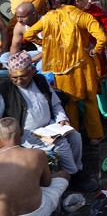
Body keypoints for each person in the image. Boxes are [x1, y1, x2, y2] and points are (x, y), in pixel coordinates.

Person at [22, 0, 107, 143]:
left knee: (69, 103)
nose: (88, 1)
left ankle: (74, 137)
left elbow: (29, 34)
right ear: (77, 0)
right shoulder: (84, 17)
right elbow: (102, 38)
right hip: (83, 65)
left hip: (61, 67)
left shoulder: (50, 16)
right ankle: (95, 136)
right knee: (90, 101)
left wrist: (47, 45)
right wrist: (95, 50)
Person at [0, 51, 85, 179]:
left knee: (75, 137)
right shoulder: (4, 89)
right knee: (60, 144)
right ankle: (74, 175)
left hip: (50, 126)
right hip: (26, 133)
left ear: (32, 70)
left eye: (23, 76)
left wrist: (62, 118)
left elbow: (56, 104)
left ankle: (77, 168)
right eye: (14, 78)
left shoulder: (40, 80)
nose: (19, 81)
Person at [0, 117, 70, 216]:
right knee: (64, 174)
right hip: (37, 212)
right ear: (22, 132)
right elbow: (46, 183)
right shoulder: (37, 154)